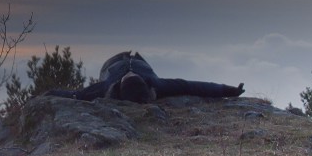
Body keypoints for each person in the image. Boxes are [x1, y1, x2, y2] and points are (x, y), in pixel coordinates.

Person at [46, 51, 244, 103]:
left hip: (132, 63)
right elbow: (190, 86)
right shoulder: (107, 86)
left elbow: (74, 95)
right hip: (113, 63)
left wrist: (229, 91)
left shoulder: (155, 84)